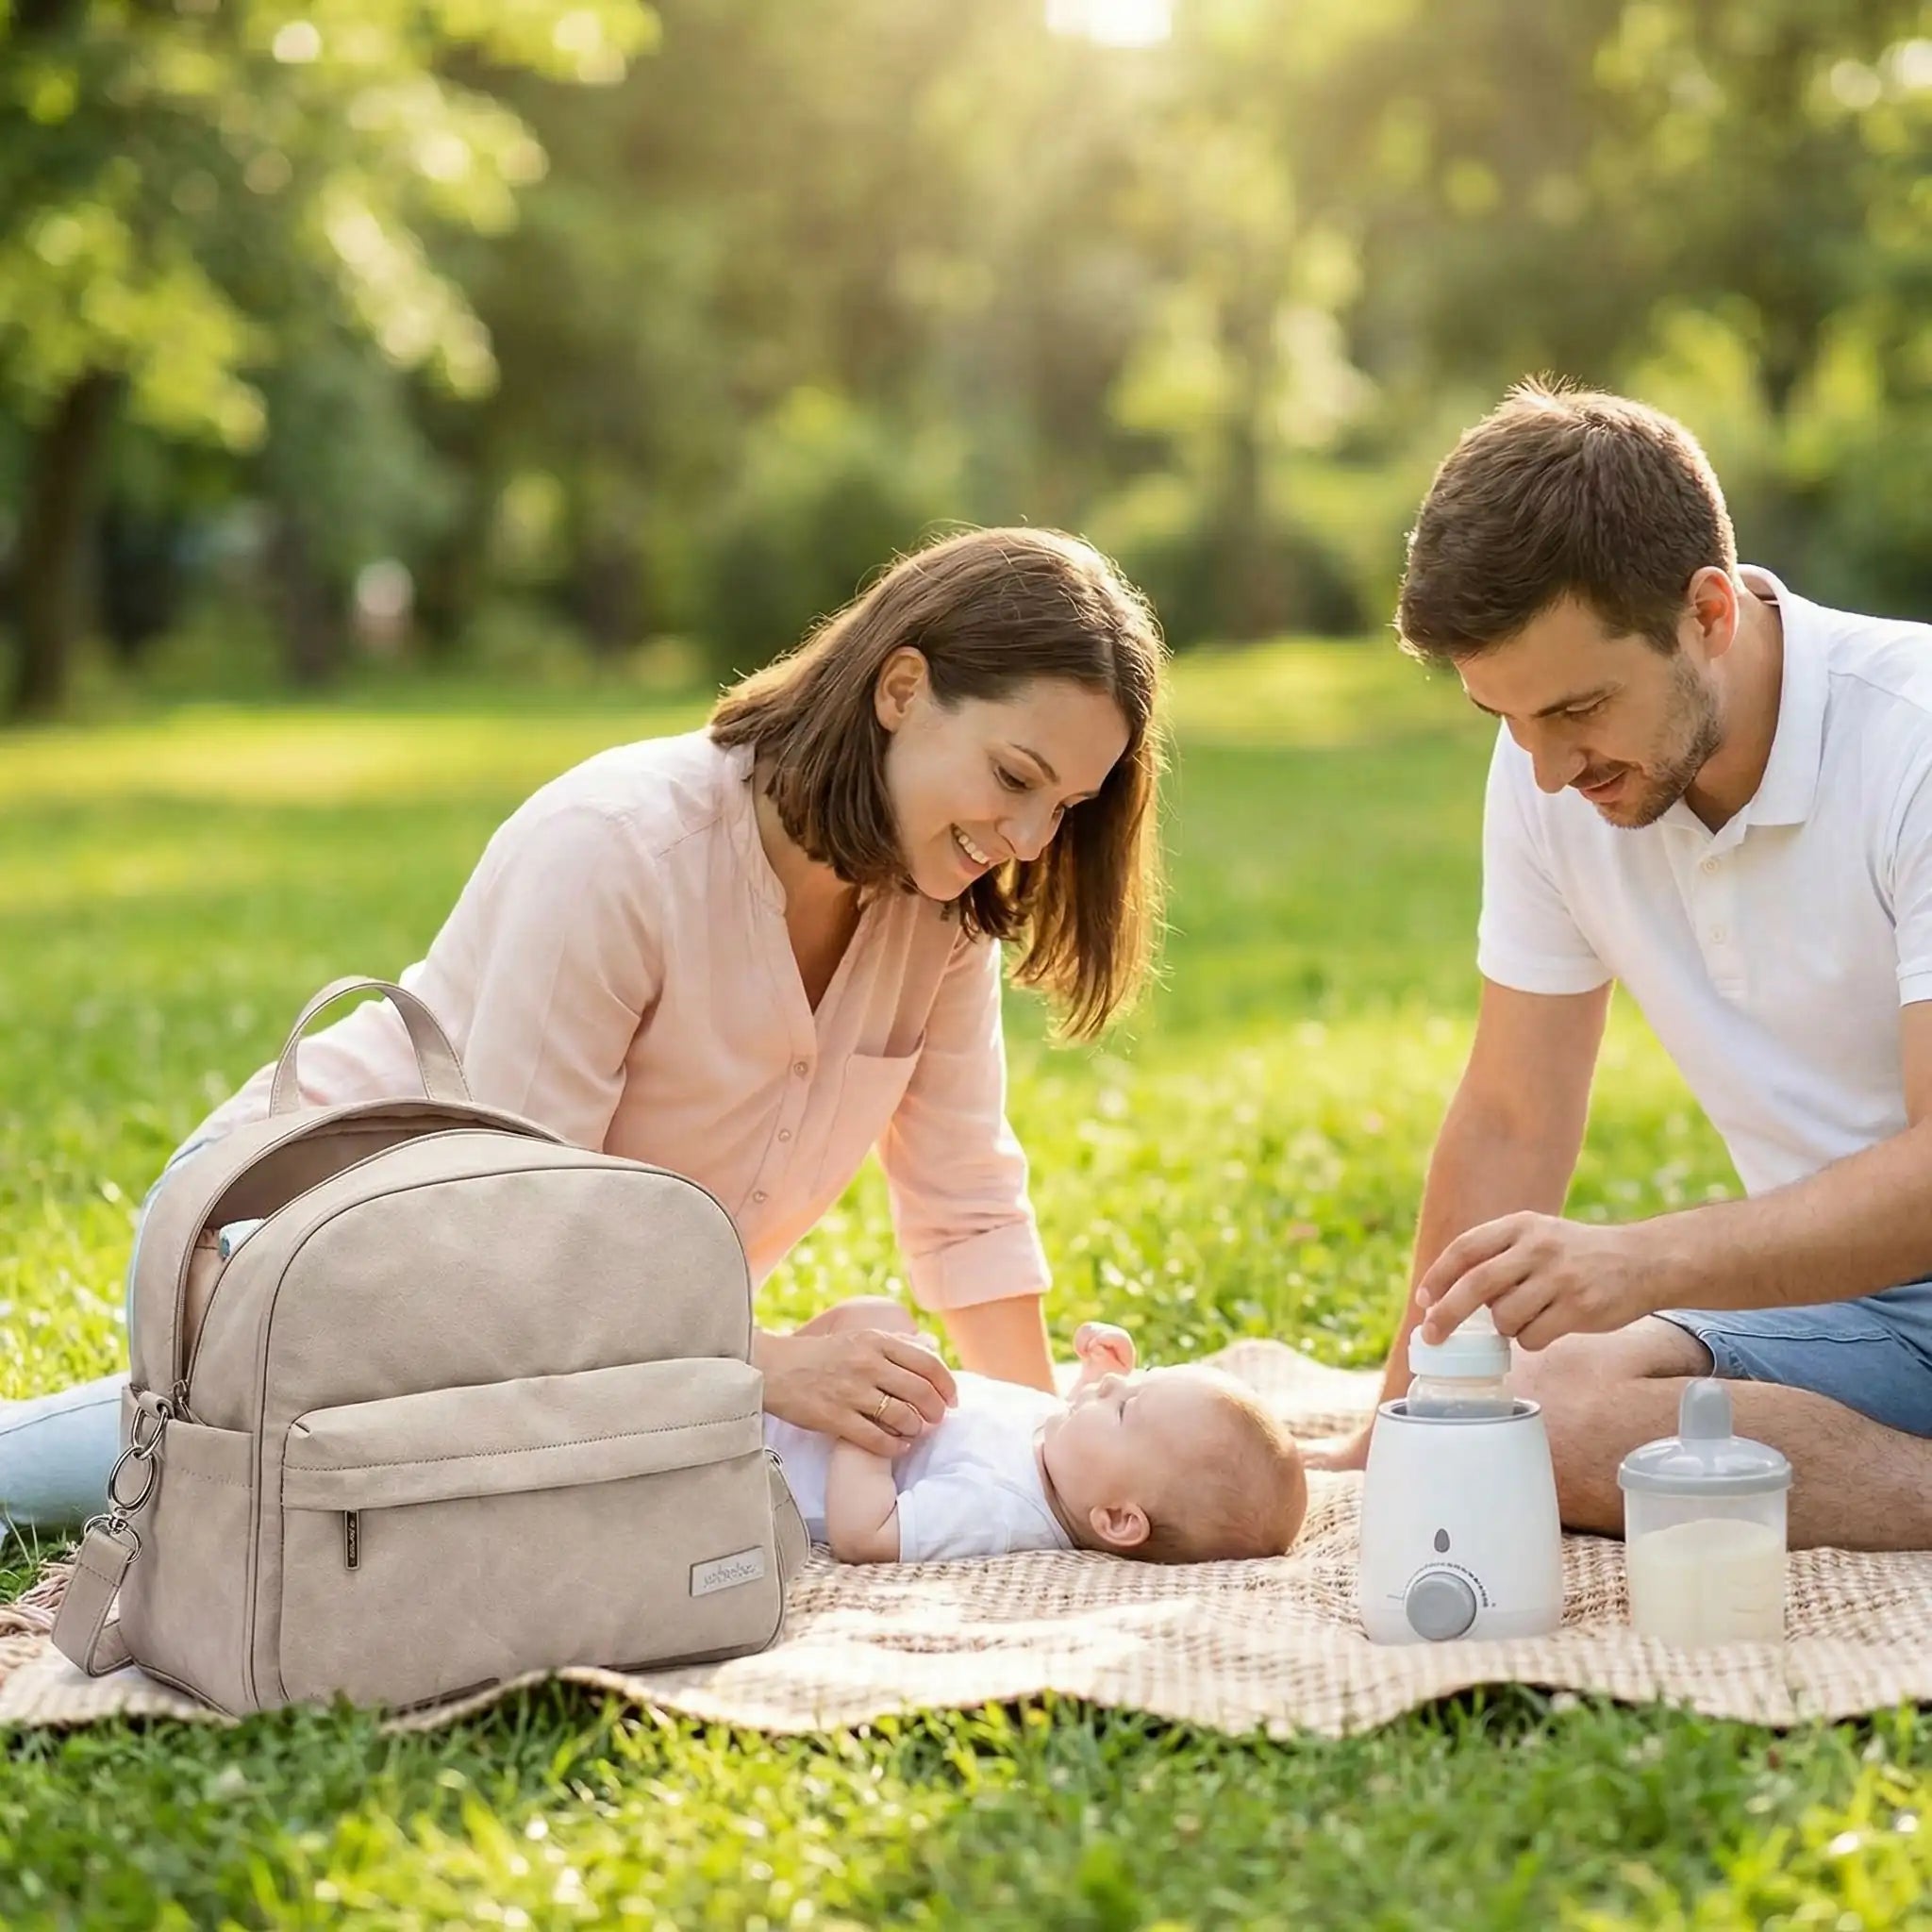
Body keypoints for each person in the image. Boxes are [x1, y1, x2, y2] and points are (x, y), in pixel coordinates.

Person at [0, 526, 1166, 1540]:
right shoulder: (620, 846)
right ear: (900, 687)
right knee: (361, 1473)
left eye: (1061, 808)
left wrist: (1040, 1453)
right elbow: (512, 1230)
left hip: (565, 1333)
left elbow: (966, 1204)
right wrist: (767, 1363)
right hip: (293, 1236)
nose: (1026, 838)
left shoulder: (942, 912)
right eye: (1013, 775)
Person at [1310, 381, 1932, 1553]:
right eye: (1505, 719)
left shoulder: (1911, 736)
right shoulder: (1552, 769)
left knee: (1556, 1422)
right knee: (1518, 1412)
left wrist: (1643, 1258)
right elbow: (1511, 1112)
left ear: (1706, 613)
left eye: (1577, 707)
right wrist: (1394, 1424)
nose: (1548, 770)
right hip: (1856, 1313)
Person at [764, 1298, 1307, 1563]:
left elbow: (867, 1536)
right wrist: (1095, 1376)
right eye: (1138, 1377)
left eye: (1125, 1408)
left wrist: (871, 1422)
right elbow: (1088, 1438)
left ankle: (734, 1374)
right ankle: (749, 1360)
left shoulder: (1002, 1508)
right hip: (791, 1410)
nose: (1113, 1385)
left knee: (869, 1320)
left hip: (765, 1458)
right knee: (877, 1312)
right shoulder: (1065, 1456)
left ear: (1117, 1518)